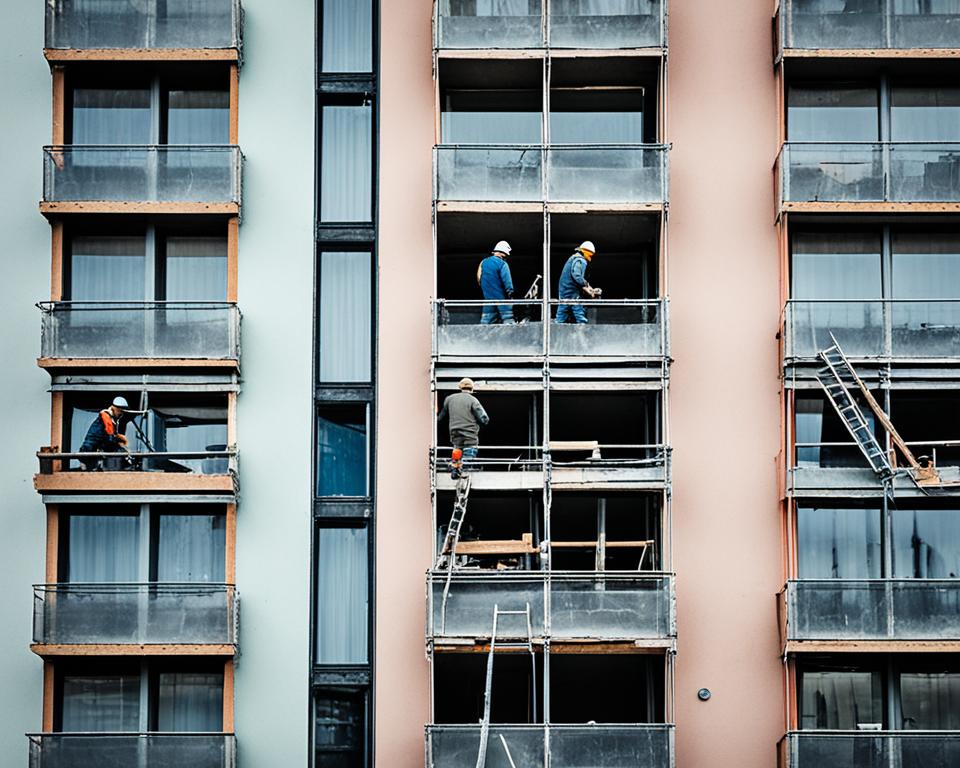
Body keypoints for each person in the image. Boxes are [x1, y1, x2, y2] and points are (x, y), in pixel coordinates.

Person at [437, 378, 490, 478]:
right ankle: (464, 470)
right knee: (469, 450)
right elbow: (484, 418)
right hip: (469, 434)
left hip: (454, 432)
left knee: (457, 450)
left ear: (460, 387)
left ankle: (455, 470)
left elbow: (440, 418)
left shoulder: (449, 399)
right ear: (472, 388)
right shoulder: (473, 400)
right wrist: (482, 424)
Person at [78, 396, 130, 470]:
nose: (121, 414)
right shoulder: (106, 417)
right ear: (115, 409)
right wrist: (120, 442)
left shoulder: (111, 419)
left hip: (93, 453)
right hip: (88, 453)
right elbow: (109, 438)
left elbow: (110, 436)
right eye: (120, 411)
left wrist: (119, 438)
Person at [555, 240, 601, 324]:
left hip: (565, 288)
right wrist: (586, 285)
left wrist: (589, 289)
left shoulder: (573, 258)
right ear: (587, 252)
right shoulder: (580, 260)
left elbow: (578, 280)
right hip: (571, 290)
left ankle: (558, 324)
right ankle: (582, 326)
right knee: (577, 307)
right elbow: (577, 276)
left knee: (563, 308)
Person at [477, 240, 515, 325]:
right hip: (502, 302)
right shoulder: (502, 264)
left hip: (488, 302)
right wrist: (510, 295)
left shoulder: (484, 263)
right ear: (504, 253)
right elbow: (508, 284)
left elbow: (479, 279)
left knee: (485, 325)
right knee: (509, 323)